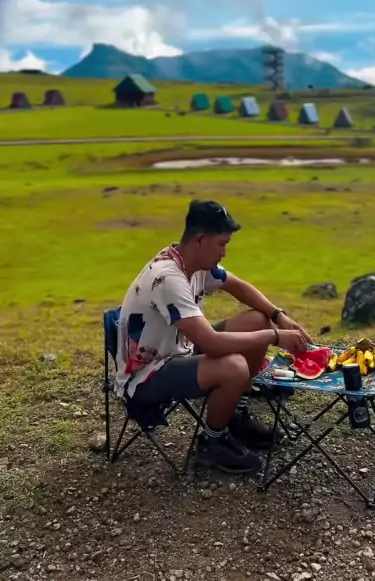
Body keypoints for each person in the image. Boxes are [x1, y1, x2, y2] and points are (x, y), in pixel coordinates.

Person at [115, 199, 312, 474]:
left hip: (181, 351)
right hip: (148, 375)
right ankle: (212, 443)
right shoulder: (168, 279)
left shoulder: (194, 263)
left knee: (257, 319)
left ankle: (235, 417)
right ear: (200, 239)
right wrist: (274, 336)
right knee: (234, 367)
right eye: (222, 244)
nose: (224, 253)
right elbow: (212, 344)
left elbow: (238, 285)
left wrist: (277, 315)